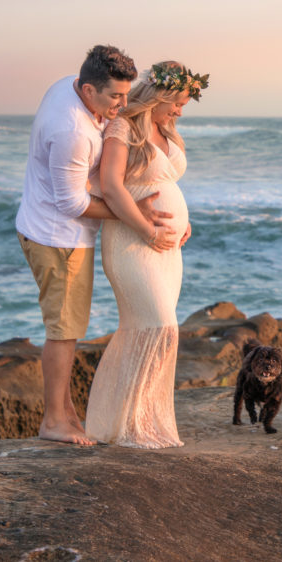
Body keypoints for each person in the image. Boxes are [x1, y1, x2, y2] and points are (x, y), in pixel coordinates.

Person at [16, 46, 174, 446]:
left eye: (126, 94)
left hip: (50, 228)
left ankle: (66, 412)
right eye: (115, 97)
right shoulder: (74, 132)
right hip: (58, 237)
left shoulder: (66, 87)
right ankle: (53, 421)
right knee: (64, 330)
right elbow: (72, 203)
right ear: (88, 89)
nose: (123, 104)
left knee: (67, 326)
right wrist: (133, 216)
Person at [84, 61, 208, 448]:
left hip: (166, 249)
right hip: (131, 242)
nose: (180, 111)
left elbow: (163, 181)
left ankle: (135, 421)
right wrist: (148, 228)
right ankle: (123, 425)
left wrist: (181, 222)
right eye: (178, 103)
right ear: (160, 95)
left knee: (154, 331)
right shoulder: (124, 127)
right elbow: (110, 186)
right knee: (158, 327)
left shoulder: (166, 129)